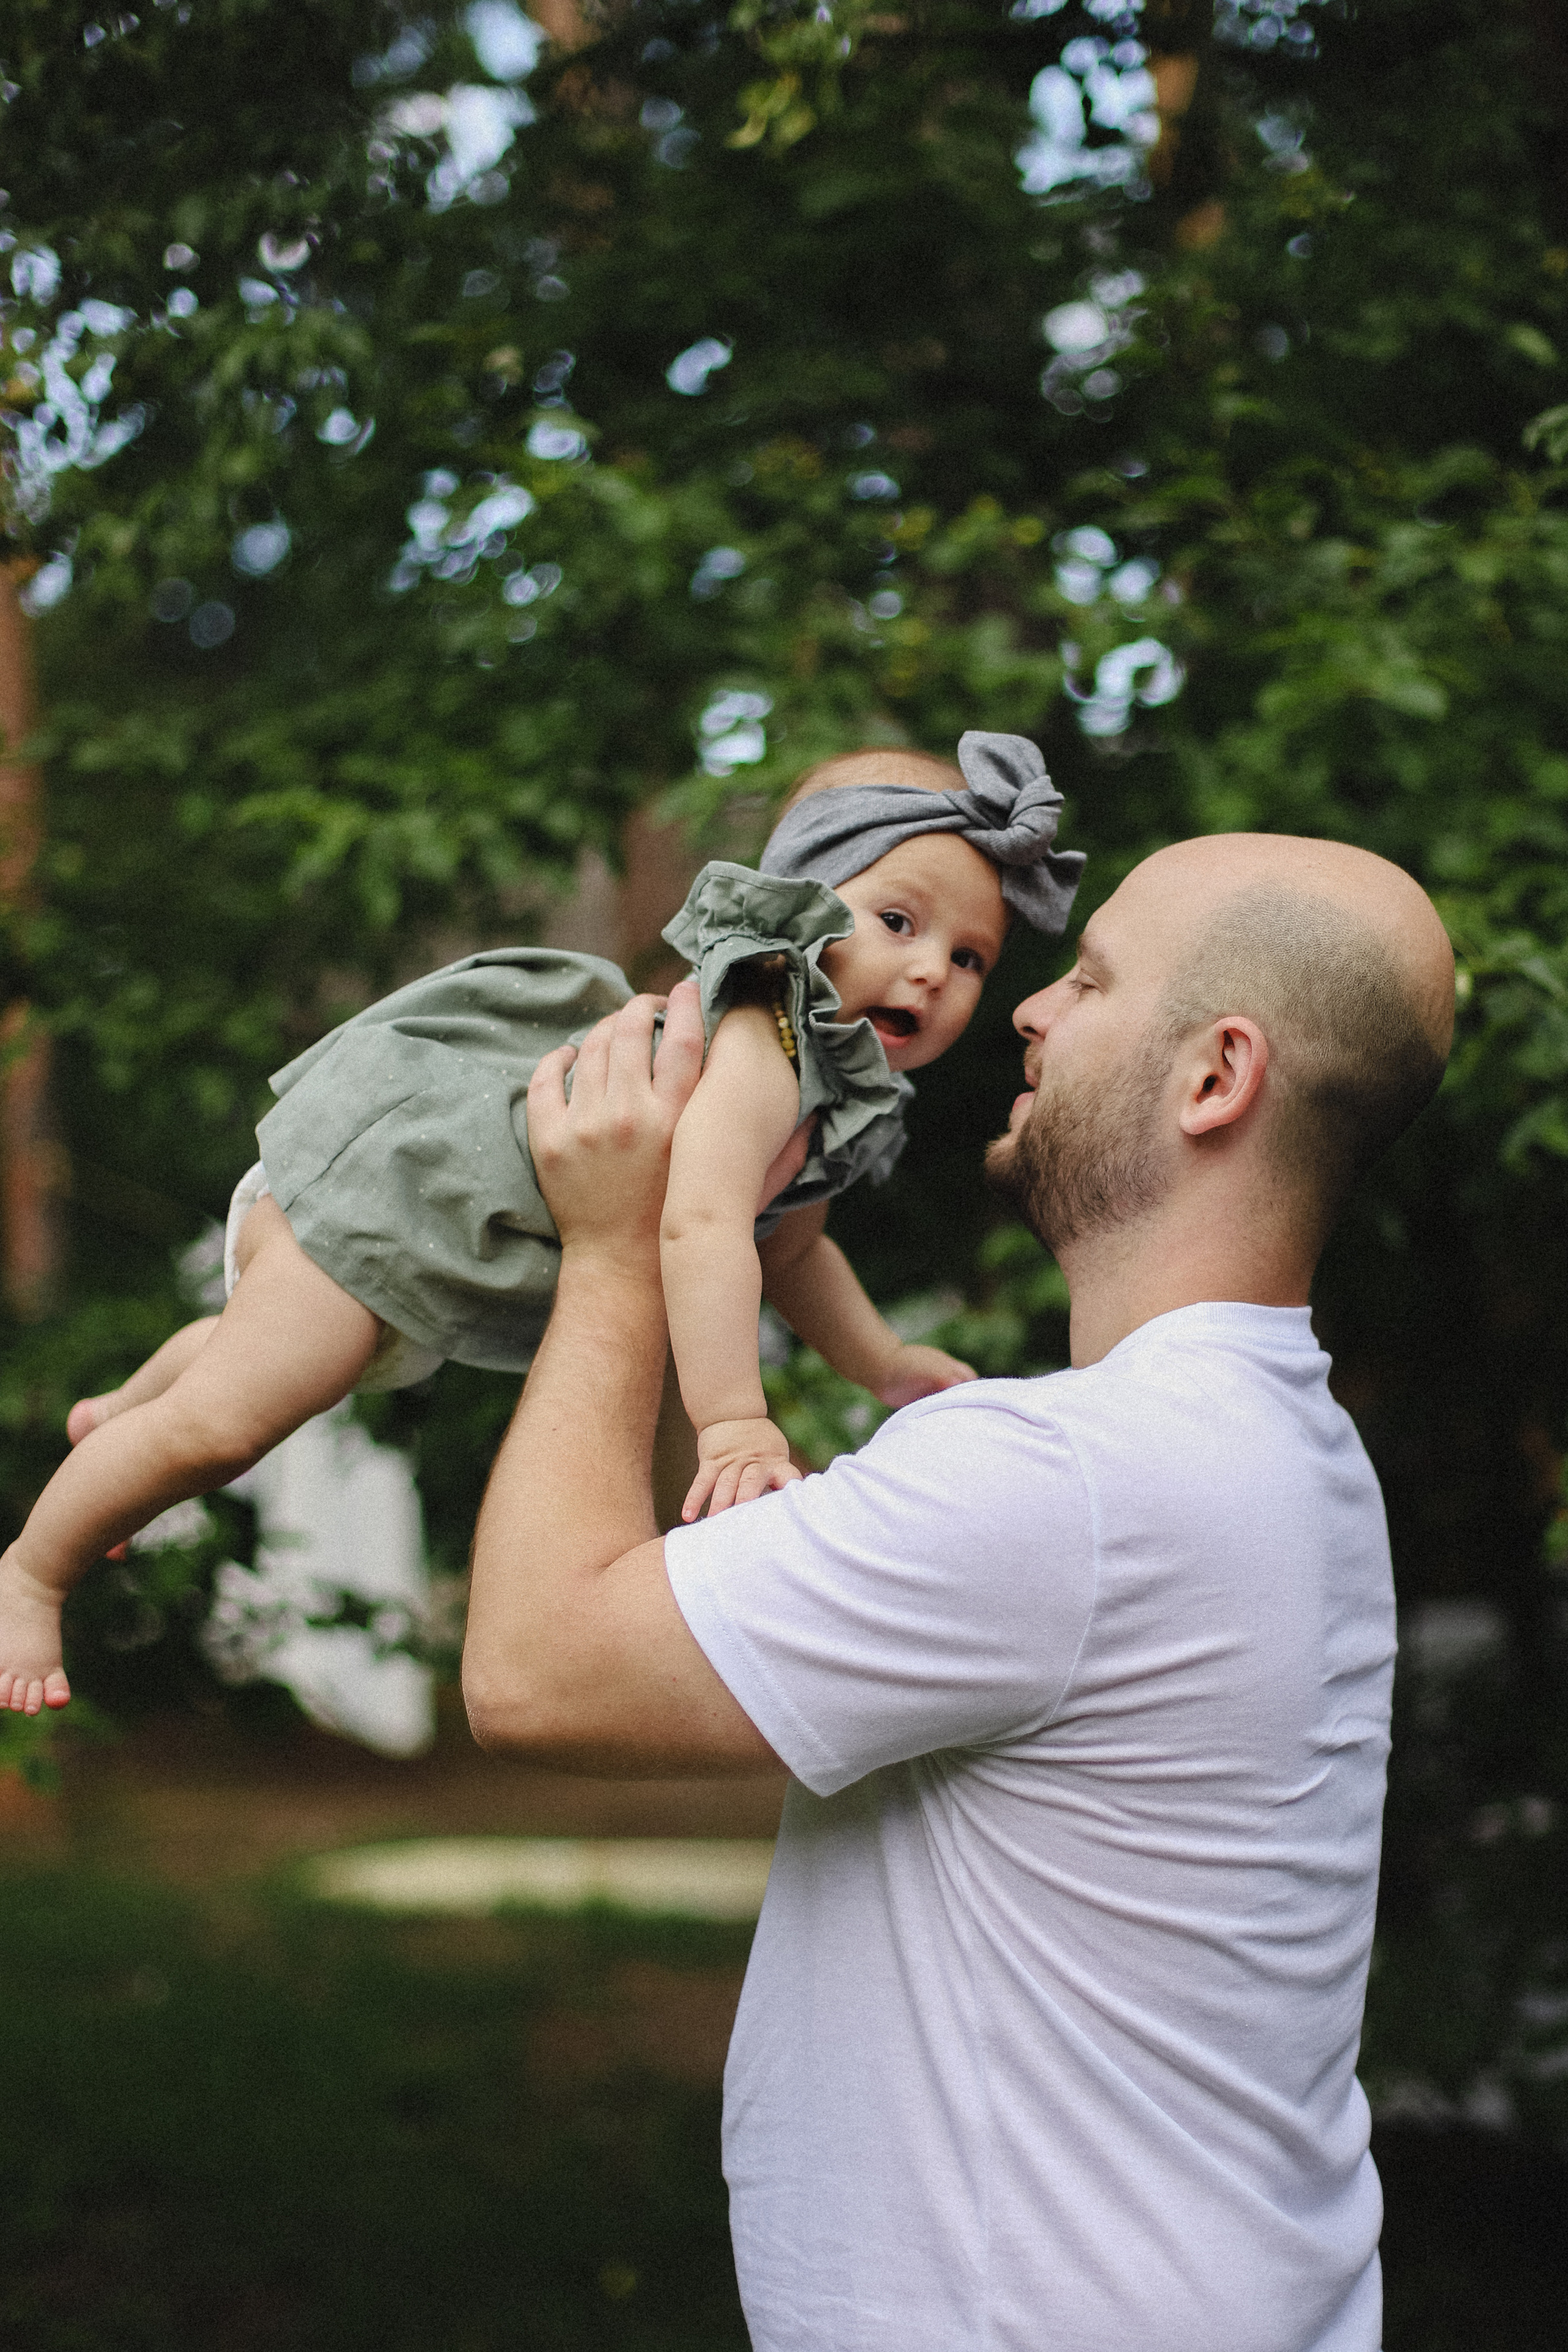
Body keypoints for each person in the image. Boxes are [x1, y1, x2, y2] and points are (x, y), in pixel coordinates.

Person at [459, 829, 1455, 2352]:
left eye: (1094, 978)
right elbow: (669, 1568)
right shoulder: (1279, 1452)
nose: (1033, 1013)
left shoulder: (1068, 1482)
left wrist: (610, 1246)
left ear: (1214, 1078)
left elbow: (535, 1668)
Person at [0, 731, 1082, 1718]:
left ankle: (123, 1410)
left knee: (275, 1363)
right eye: (899, 921)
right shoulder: (763, 1037)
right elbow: (702, 1224)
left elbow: (789, 1247)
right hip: (398, 1210)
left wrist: (879, 1360)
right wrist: (733, 1424)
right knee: (228, 1429)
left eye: (972, 956)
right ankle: (34, 1570)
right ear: (801, 905)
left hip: (437, 1268)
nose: (935, 967)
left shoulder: (834, 1091)